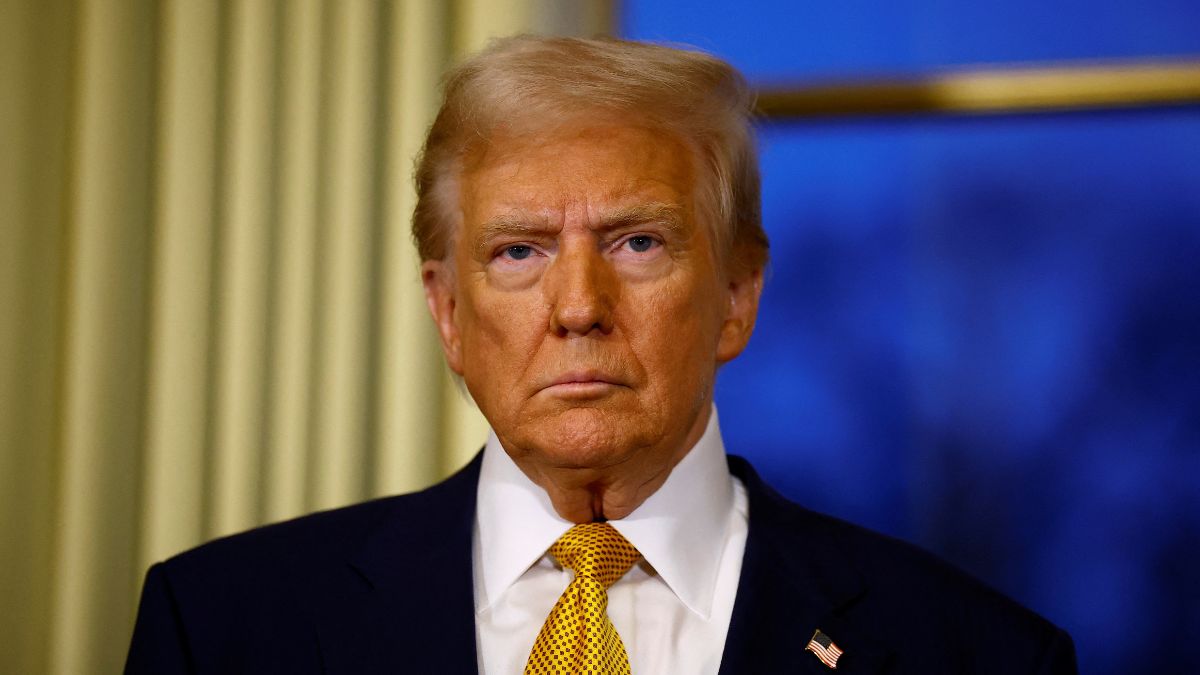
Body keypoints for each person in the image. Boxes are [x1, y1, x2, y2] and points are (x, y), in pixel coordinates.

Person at [125, 35, 1077, 674]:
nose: (579, 306)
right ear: (448, 310)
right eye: (519, 251)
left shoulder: (974, 653)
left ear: (738, 296)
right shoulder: (222, 627)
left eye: (637, 243)